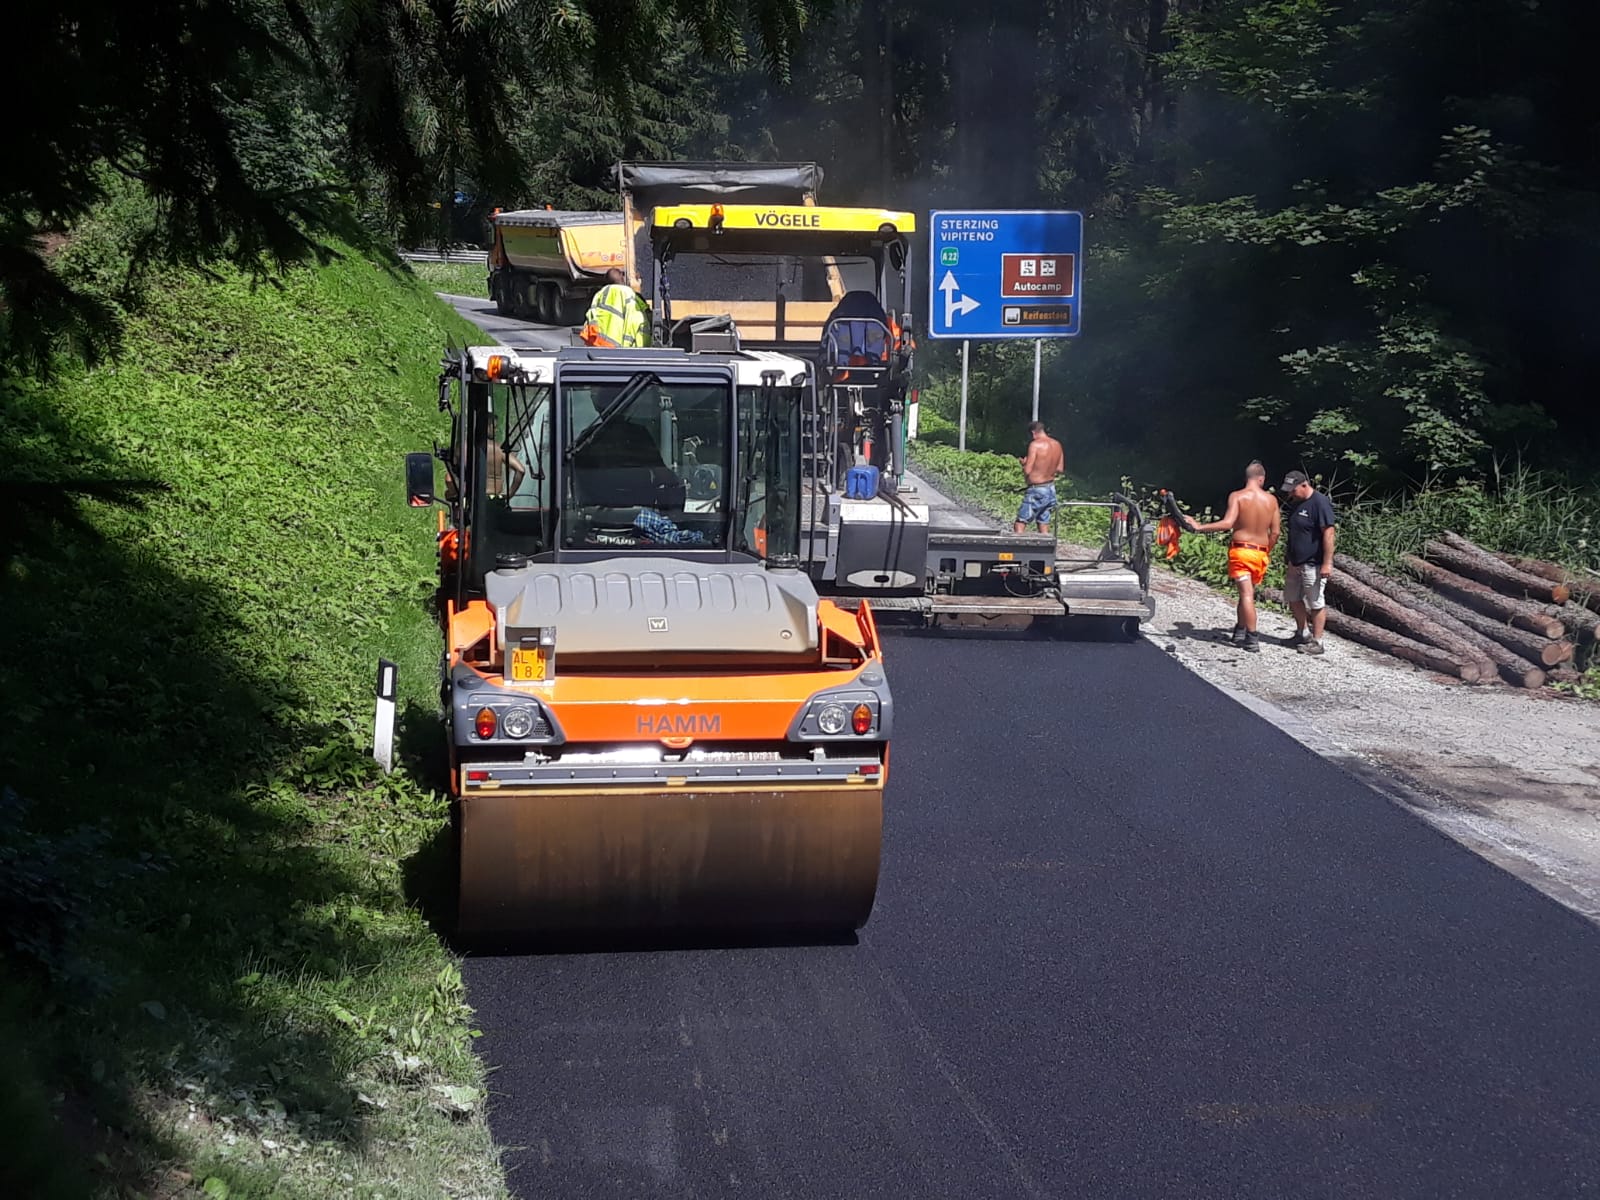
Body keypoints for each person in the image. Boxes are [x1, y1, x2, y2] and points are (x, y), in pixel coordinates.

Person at [1190, 460, 1280, 652]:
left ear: (1247, 478)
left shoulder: (1238, 496)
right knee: (1246, 593)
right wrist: (1267, 550)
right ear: (1261, 479)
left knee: (1247, 595)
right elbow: (1275, 533)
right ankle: (1240, 629)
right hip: (1260, 554)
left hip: (1241, 551)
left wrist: (1200, 527)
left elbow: (1227, 523)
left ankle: (1252, 637)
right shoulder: (1272, 501)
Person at [1281, 469, 1337, 654]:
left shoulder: (1320, 503)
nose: (1290, 494)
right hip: (1295, 561)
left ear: (1304, 485)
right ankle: (1302, 633)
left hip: (1313, 562)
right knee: (1293, 597)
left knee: (1315, 602)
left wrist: (1327, 563)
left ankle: (1318, 641)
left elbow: (1328, 533)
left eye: (1293, 490)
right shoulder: (1297, 503)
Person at [1013, 421, 1065, 534]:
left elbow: (1028, 470)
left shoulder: (1035, 445)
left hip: (1037, 489)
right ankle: (1045, 548)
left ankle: (1017, 549)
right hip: (1050, 489)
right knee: (1043, 520)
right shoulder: (1057, 444)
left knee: (1021, 522)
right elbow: (1060, 469)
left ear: (1033, 433)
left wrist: (1024, 464)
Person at [580, 268, 651, 348]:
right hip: (624, 349)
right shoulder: (630, 294)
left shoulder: (601, 294)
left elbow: (592, 315)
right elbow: (641, 317)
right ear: (622, 278)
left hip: (600, 344)